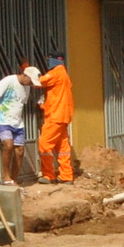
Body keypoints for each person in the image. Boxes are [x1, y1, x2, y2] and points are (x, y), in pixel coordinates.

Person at [0, 63, 39, 184]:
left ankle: (13, 179)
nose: (31, 84)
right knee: (8, 145)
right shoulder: (9, 80)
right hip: (3, 120)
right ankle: (6, 177)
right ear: (25, 75)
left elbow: (19, 104)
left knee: (20, 151)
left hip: (17, 123)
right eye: (31, 81)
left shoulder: (27, 87)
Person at [36, 54, 75, 184]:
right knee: (62, 147)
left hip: (56, 116)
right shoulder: (64, 74)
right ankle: (66, 175)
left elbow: (39, 82)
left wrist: (26, 69)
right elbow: (56, 95)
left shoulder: (55, 73)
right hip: (63, 115)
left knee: (44, 143)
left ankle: (48, 175)